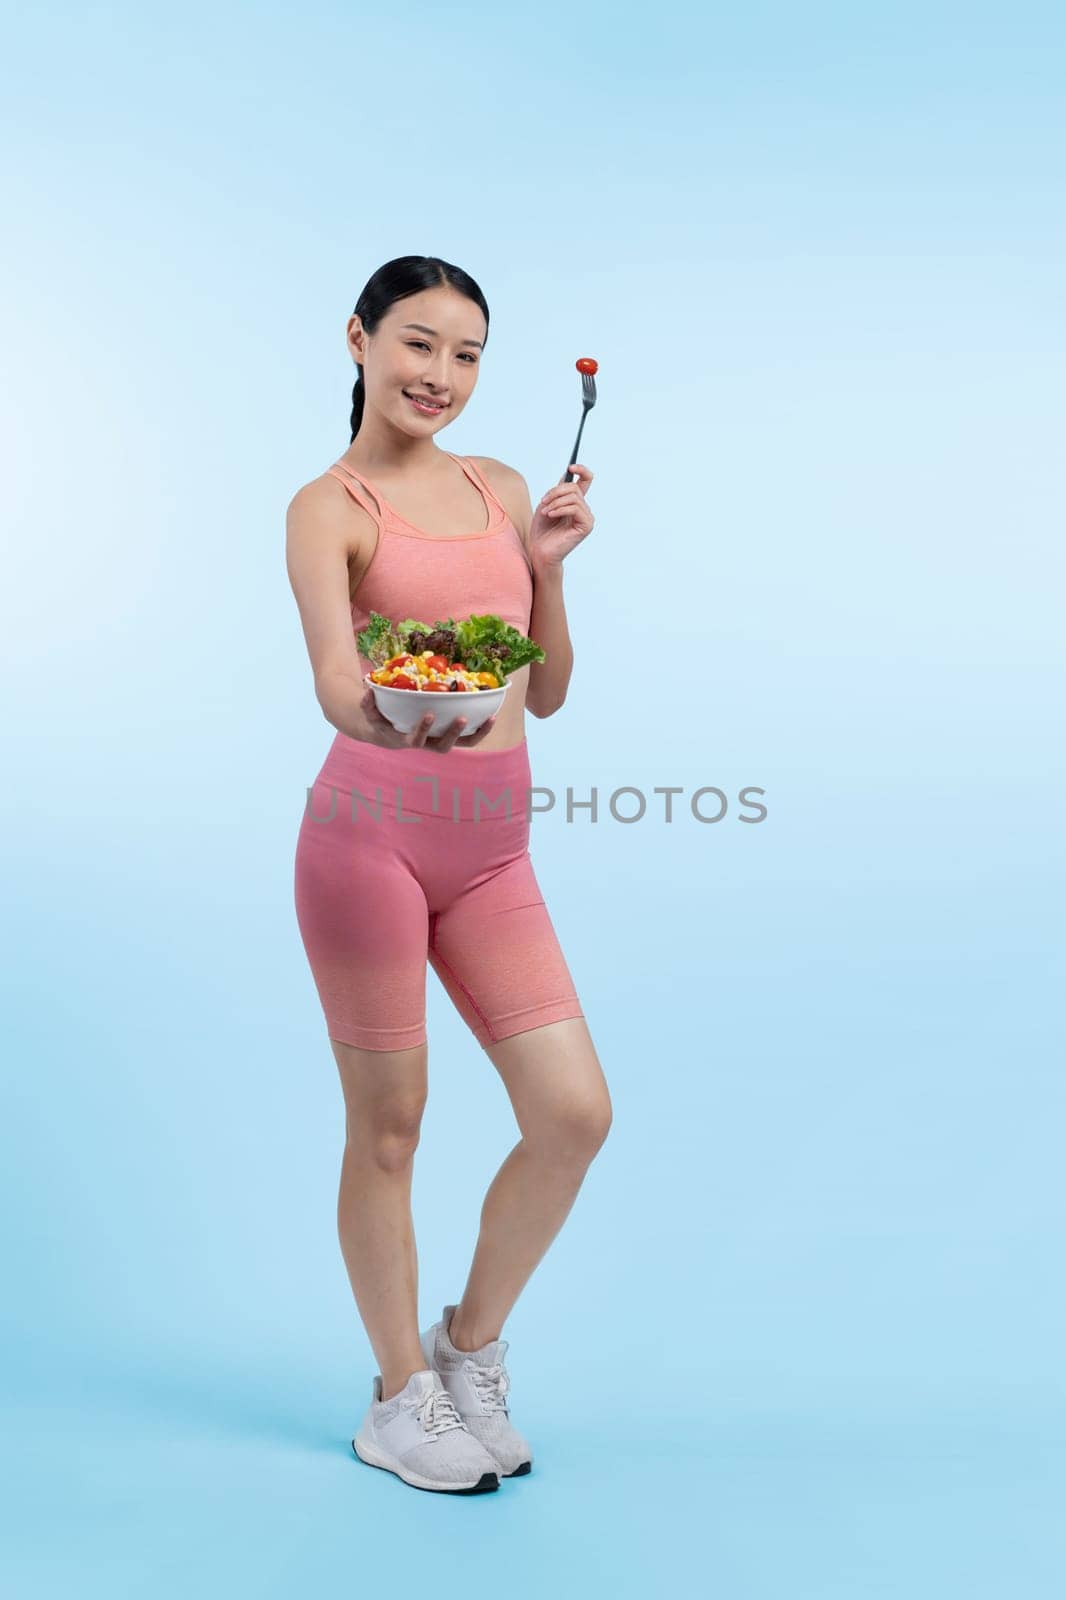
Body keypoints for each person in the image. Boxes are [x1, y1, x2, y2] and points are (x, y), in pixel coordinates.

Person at [287, 256, 612, 1495]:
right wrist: (397, 713)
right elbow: (331, 677)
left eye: (468, 355)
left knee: (574, 1114)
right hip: (366, 842)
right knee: (391, 1128)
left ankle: (465, 1347)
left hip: (492, 857)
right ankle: (393, 1397)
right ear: (360, 341)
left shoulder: (505, 488)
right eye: (418, 345)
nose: (441, 376)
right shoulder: (330, 504)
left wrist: (551, 567)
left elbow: (554, 691)